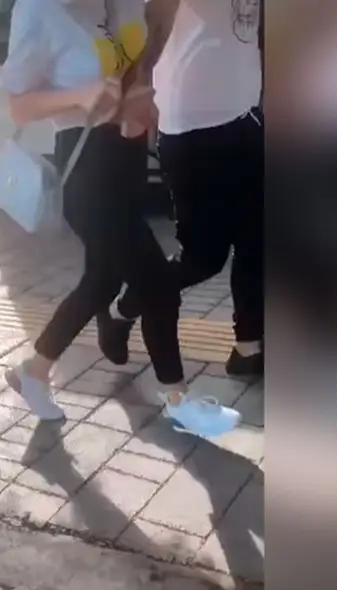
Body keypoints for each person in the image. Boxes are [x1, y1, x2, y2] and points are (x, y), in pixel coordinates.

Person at [0, 0, 241, 435]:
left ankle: (33, 373)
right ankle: (178, 400)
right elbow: (17, 106)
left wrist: (139, 89)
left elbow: (138, 55)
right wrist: (80, 95)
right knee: (159, 285)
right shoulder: (40, 9)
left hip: (127, 161)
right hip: (86, 170)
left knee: (102, 281)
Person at [97, 0, 265, 377]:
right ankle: (123, 309)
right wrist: (141, 81)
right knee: (204, 256)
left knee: (259, 238)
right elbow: (158, 12)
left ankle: (248, 347)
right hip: (192, 126)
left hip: (245, 115)